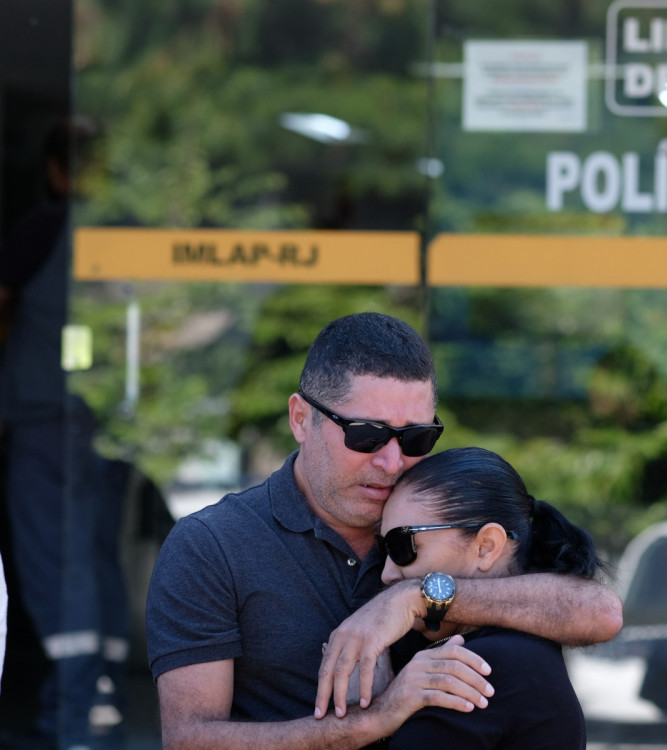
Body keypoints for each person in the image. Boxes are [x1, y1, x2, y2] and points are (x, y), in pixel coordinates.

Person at [145, 312, 623, 750]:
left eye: (415, 438)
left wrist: (415, 597)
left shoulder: (436, 519)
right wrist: (368, 723)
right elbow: (189, 741)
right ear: (300, 419)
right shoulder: (211, 546)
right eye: (366, 435)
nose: (392, 462)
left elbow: (598, 613)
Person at [0, 116, 130, 749]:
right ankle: (94, 699)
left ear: (55, 171)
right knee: (94, 559)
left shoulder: (44, 229)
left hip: (47, 418)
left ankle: (75, 713)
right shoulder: (133, 238)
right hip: (111, 426)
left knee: (55, 563)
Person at [378, 446, 604, 748]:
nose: (386, 573)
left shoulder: (477, 666)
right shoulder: (519, 653)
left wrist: (367, 714)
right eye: (383, 548)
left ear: (486, 546)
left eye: (401, 546)